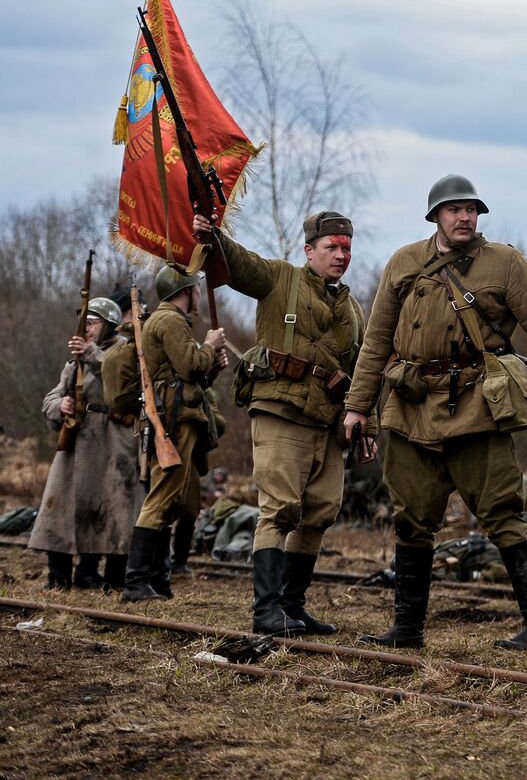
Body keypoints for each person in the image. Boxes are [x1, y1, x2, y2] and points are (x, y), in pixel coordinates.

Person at [343, 175, 527, 650]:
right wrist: (358, 406)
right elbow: (377, 340)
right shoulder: (404, 263)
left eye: (471, 209)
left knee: (503, 513)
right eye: (454, 209)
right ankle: (407, 629)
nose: (464, 217)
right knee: (411, 519)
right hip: (411, 407)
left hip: (477, 408)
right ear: (435, 216)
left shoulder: (504, 263)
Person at [195, 209, 376, 636]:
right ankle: (267, 612)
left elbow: (365, 370)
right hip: (281, 411)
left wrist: (368, 427)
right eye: (332, 247)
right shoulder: (279, 279)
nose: (341, 255)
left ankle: (292, 608)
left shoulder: (351, 307)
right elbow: (237, 265)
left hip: (328, 422)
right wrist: (213, 236)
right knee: (279, 509)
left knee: (320, 512)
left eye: (346, 247)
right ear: (309, 250)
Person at [122, 266, 226, 602]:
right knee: (162, 499)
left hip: (174, 418)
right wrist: (209, 348)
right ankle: (136, 583)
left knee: (171, 500)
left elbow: (188, 379)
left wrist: (213, 365)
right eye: (196, 289)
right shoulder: (170, 320)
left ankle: (155, 581)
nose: (199, 294)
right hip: (175, 422)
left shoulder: (167, 321)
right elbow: (190, 366)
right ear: (187, 291)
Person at [29, 297, 143, 591]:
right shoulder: (73, 362)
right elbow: (50, 399)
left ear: (108, 325)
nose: (87, 328)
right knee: (60, 507)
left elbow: (121, 377)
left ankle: (111, 578)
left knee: (116, 509)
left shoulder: (123, 350)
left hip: (113, 442)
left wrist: (91, 352)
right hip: (78, 442)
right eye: (85, 322)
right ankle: (60, 575)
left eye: (93, 322)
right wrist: (61, 406)